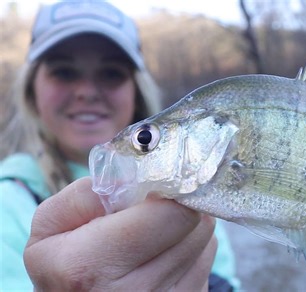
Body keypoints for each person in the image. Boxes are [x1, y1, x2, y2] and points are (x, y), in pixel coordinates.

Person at [0, 1, 239, 291]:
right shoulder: (7, 204)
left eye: (112, 73)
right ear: (31, 91)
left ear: (136, 93)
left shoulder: (193, 185)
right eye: (64, 72)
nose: (87, 91)